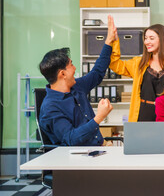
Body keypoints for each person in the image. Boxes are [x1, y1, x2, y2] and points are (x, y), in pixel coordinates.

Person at [38, 15, 118, 146]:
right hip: (77, 158)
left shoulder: (76, 86)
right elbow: (71, 139)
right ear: (62, 73)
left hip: (99, 146)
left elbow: (97, 72)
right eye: (71, 65)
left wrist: (109, 41)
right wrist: (99, 117)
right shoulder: (50, 108)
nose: (75, 68)